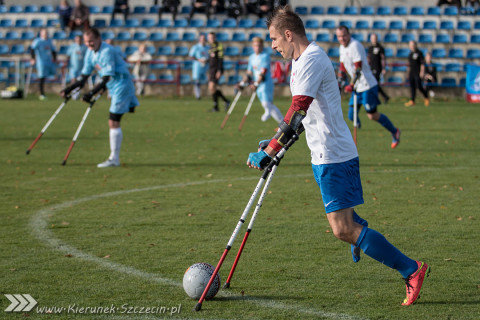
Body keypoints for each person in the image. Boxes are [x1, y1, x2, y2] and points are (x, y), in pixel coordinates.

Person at [247, 5, 429, 307]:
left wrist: (270, 151)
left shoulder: (312, 59)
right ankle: (364, 233)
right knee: (347, 225)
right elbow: (304, 117)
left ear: (289, 34)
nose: (273, 45)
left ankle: (412, 269)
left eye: (274, 38)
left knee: (343, 229)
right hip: (324, 154)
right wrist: (277, 142)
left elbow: (296, 111)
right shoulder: (301, 60)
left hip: (334, 155)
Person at [60, 28, 139, 168]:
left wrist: (91, 93)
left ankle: (114, 159)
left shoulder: (107, 51)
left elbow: (106, 78)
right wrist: (68, 89)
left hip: (121, 85)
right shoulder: (90, 53)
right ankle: (114, 158)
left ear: (98, 39)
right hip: (112, 86)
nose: (89, 44)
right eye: (86, 42)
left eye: (91, 41)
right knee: (113, 121)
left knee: (113, 120)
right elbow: (83, 77)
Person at [336, 26, 401, 149]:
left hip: (367, 85)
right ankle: (355, 135)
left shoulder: (355, 45)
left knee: (372, 115)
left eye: (344, 35)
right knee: (351, 115)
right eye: (339, 36)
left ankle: (395, 131)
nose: (342, 38)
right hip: (357, 87)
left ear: (349, 34)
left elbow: (358, 68)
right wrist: (340, 80)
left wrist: (350, 84)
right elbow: (342, 67)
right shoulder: (341, 48)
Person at [240, 36, 283, 123]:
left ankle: (281, 122)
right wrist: (242, 82)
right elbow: (249, 72)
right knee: (268, 105)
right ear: (253, 46)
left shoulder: (265, 57)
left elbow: (263, 72)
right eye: (255, 45)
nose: (257, 47)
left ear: (262, 46)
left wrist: (256, 83)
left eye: (259, 45)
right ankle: (282, 123)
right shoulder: (251, 57)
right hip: (258, 84)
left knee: (266, 104)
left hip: (265, 83)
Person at [30, 29, 57, 101]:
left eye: (46, 33)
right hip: (41, 62)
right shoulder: (38, 41)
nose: (46, 34)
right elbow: (32, 49)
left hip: (49, 62)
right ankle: (42, 94)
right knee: (42, 77)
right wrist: (33, 58)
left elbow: (53, 50)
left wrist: (54, 59)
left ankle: (56, 92)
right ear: (41, 34)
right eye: (44, 33)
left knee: (54, 76)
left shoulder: (49, 41)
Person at [207, 32, 230, 112]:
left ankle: (217, 106)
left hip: (217, 70)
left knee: (212, 87)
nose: (211, 39)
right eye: (209, 38)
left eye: (212, 37)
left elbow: (220, 59)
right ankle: (225, 101)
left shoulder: (219, 46)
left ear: (215, 37)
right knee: (212, 88)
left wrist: (219, 70)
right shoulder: (210, 48)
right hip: (212, 70)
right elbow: (211, 60)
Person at [405, 40, 429, 107]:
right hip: (411, 73)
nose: (412, 46)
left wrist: (422, 72)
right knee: (412, 87)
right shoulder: (410, 54)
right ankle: (412, 100)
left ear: (415, 45)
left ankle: (426, 97)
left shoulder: (419, 53)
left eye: (413, 45)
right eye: (410, 45)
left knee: (419, 86)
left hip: (417, 72)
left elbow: (422, 64)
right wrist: (408, 73)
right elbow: (409, 65)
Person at [367, 33, 390, 104]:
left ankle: (378, 98)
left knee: (375, 84)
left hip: (378, 68)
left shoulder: (380, 48)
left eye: (375, 38)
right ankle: (385, 96)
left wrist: (383, 68)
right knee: (374, 84)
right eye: (372, 38)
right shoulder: (370, 48)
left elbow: (383, 59)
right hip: (371, 68)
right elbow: (369, 59)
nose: (374, 39)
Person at [65, 34, 87, 99]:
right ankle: (73, 93)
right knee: (73, 79)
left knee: (79, 81)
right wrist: (66, 62)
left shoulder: (84, 47)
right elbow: (68, 55)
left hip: (81, 67)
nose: (78, 41)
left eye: (79, 40)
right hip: (73, 66)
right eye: (77, 40)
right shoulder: (72, 47)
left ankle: (77, 93)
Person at [188, 33, 209, 100]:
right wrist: (199, 59)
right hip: (197, 67)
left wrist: (207, 60)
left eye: (204, 39)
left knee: (209, 81)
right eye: (202, 39)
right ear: (199, 39)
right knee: (197, 81)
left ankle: (209, 94)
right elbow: (191, 57)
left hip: (206, 66)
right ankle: (198, 96)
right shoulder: (195, 47)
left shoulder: (208, 47)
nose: (203, 40)